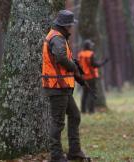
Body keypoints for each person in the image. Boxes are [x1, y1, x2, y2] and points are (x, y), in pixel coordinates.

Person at [41, 10, 89, 162]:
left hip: (62, 87)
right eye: (70, 25)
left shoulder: (57, 36)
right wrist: (74, 68)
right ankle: (56, 156)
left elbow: (63, 58)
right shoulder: (57, 38)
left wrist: (77, 75)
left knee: (74, 116)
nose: (71, 28)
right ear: (65, 25)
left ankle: (74, 151)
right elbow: (61, 58)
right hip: (57, 87)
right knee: (58, 122)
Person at [78, 39, 108, 114]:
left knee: (84, 94)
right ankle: (91, 111)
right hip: (91, 77)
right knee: (92, 93)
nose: (92, 46)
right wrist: (104, 62)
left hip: (83, 77)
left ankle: (83, 110)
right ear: (88, 46)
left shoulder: (80, 54)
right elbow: (94, 65)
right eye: (91, 45)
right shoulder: (91, 54)